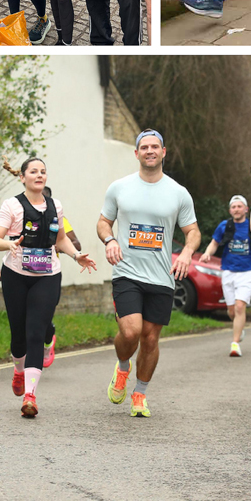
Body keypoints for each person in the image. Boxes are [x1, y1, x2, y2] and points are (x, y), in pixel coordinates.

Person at [98, 130, 200, 417]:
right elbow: (104, 222)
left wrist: (188, 253)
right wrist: (111, 240)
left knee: (150, 339)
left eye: (155, 146)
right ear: (137, 153)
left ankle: (140, 393)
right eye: (144, 147)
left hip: (161, 277)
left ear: (164, 152)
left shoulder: (178, 193)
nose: (150, 151)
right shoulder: (119, 187)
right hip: (127, 272)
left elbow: (192, 231)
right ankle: (122, 368)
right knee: (130, 331)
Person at [0, 157, 96, 417]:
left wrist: (76, 256)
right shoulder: (12, 205)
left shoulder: (55, 206)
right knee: (18, 336)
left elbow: (60, 239)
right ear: (23, 177)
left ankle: (30, 396)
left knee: (36, 332)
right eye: (33, 171)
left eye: (43, 172)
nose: (39, 175)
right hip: (16, 274)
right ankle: (18, 371)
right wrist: (9, 245)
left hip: (48, 274)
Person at [199, 194, 251, 356]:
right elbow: (214, 243)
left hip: (247, 272)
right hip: (228, 271)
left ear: (246, 209)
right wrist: (207, 254)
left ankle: (235, 343)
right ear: (230, 210)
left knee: (240, 306)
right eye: (233, 207)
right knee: (231, 311)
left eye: (239, 206)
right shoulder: (224, 226)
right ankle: (239, 329)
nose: (236, 209)